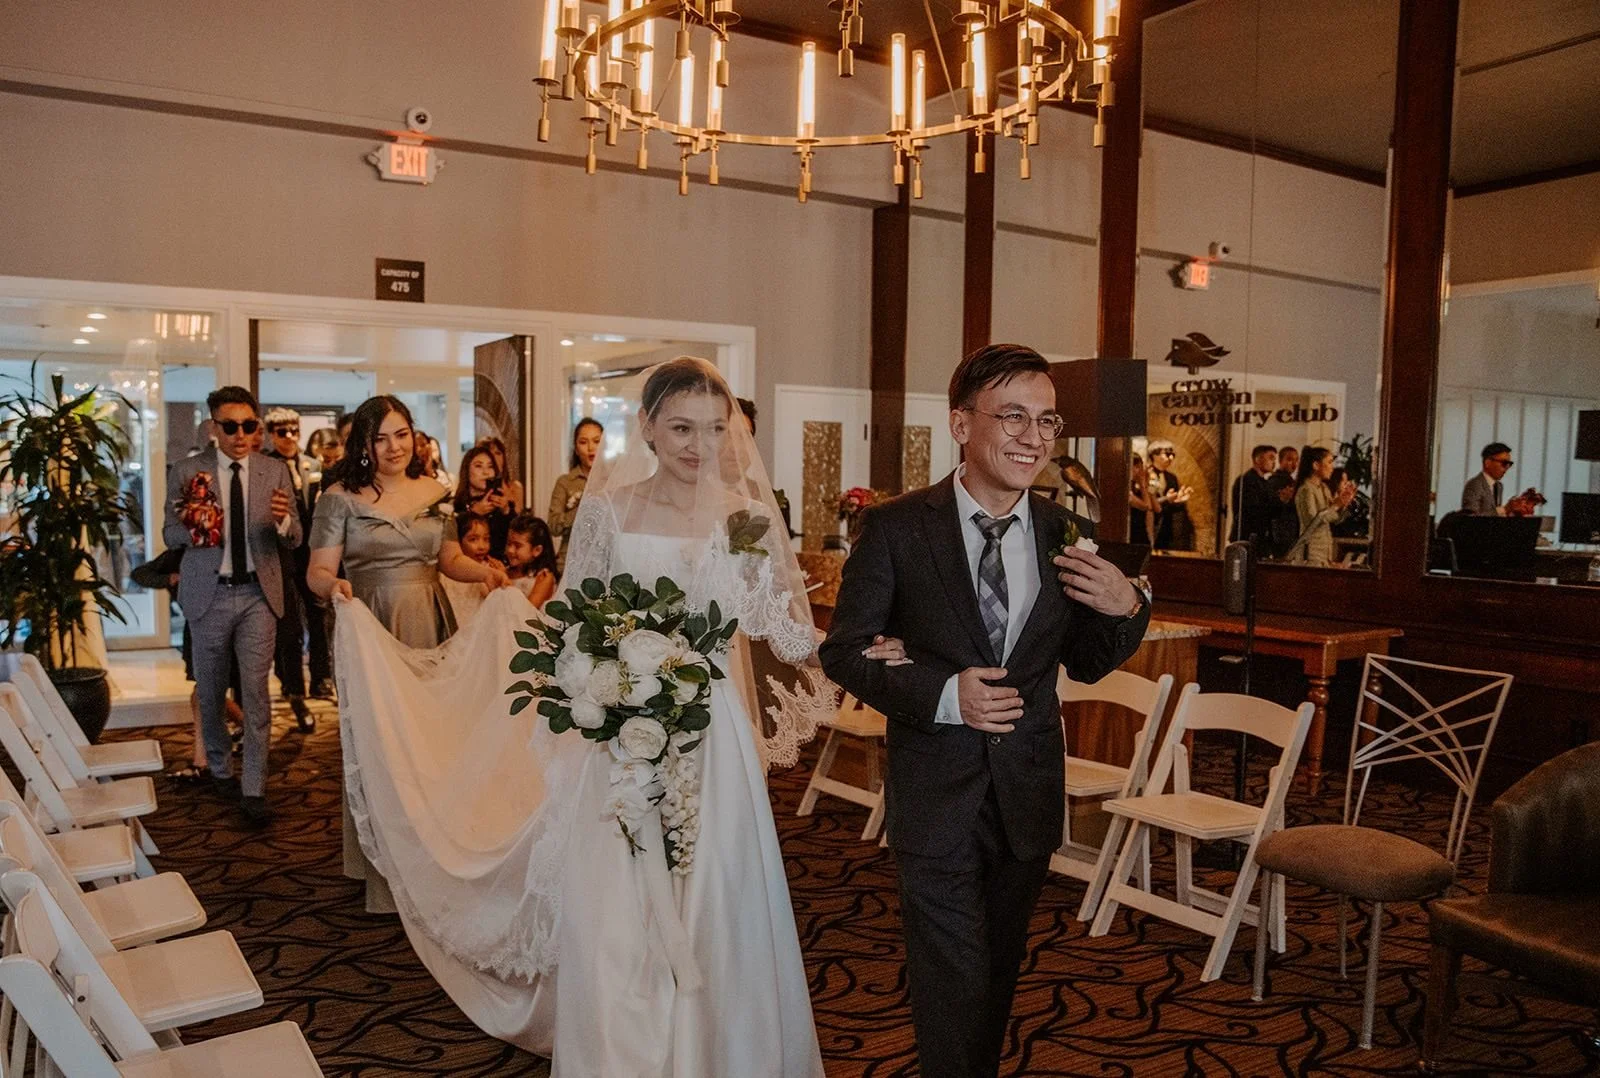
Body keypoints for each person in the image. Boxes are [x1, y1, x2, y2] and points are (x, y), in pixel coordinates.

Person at [326, 357, 832, 1070]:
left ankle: (718, 1047)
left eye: (715, 429)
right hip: (623, 721)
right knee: (616, 896)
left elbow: (774, 618)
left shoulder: (744, 517)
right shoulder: (610, 509)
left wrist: (853, 649)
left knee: (716, 881)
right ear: (649, 426)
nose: (700, 445)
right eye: (682, 427)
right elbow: (575, 613)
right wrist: (592, 681)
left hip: (710, 728)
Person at [819, 344, 1150, 1078]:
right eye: (1012, 416)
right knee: (952, 979)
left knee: (997, 972)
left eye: (1047, 420)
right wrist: (945, 694)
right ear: (961, 425)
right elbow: (843, 652)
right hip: (936, 792)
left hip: (1027, 791)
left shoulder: (1067, 531)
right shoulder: (899, 528)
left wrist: (1131, 607)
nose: (1033, 437)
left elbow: (1088, 659)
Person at [306, 395, 510, 912]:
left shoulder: (436, 492)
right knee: (381, 742)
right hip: (369, 621)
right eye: (380, 437)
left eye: (401, 434)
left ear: (413, 435)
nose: (394, 447)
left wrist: (485, 572)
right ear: (364, 444)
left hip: (429, 617)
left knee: (430, 736)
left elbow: (449, 559)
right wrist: (334, 587)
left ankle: (433, 856)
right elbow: (316, 571)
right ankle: (384, 871)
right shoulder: (339, 498)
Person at [162, 386, 302, 827]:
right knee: (210, 691)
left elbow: (295, 535)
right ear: (213, 428)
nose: (241, 435)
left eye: (249, 425)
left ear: (257, 427)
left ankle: (254, 787)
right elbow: (169, 535)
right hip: (210, 593)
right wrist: (196, 524)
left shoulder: (274, 471)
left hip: (259, 594)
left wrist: (282, 519)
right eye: (231, 426)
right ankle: (220, 766)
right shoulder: (187, 471)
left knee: (257, 693)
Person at [264, 407, 327, 726]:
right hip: (279, 557)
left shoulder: (313, 465)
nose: (288, 437)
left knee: (318, 616)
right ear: (270, 435)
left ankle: (320, 678)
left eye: (293, 430)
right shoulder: (264, 466)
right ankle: (295, 692)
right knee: (288, 628)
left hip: (312, 554)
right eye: (281, 432)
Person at [547, 417, 602, 575]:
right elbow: (553, 526)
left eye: (597, 441)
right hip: (570, 561)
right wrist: (583, 507)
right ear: (576, 449)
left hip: (605, 562)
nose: (591, 448)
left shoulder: (615, 481)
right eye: (583, 442)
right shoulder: (565, 482)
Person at [1286, 446, 1356, 566]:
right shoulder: (1306, 490)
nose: (1332, 468)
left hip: (1325, 551)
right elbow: (1313, 521)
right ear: (1316, 465)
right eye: (1329, 462)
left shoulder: (1324, 489)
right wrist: (1335, 506)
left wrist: (1343, 504)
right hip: (1310, 553)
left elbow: (1335, 520)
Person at [454, 444, 514, 561]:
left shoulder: (502, 505)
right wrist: (473, 514)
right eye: (478, 466)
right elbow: (451, 540)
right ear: (467, 471)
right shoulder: (457, 506)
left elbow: (515, 540)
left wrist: (506, 511)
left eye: (490, 467)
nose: (486, 472)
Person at [440, 515, 499, 627]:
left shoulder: (489, 569)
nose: (482, 546)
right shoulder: (446, 575)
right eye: (473, 539)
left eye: (486, 539)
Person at [503, 511, 558, 607]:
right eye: (509, 544)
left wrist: (505, 582)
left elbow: (527, 611)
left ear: (537, 550)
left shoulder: (544, 577)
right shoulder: (506, 571)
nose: (510, 550)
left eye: (517, 546)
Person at [1146, 439, 1193, 550]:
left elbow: (1171, 505)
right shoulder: (1147, 474)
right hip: (1149, 523)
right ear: (1154, 455)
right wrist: (1167, 499)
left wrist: (1179, 500)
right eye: (1167, 454)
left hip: (1166, 526)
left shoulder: (1172, 478)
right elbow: (1149, 502)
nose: (1171, 458)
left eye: (1172, 455)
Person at [1229, 444, 1279, 547]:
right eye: (1271, 458)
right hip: (1247, 537)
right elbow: (1253, 510)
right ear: (1258, 459)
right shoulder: (1246, 481)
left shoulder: (1264, 482)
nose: (1274, 463)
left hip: (1259, 538)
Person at [476, 435, 526, 512]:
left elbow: (519, 520)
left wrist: (510, 501)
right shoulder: (476, 486)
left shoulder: (515, 487)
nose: (494, 457)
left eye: (498, 453)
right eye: (489, 453)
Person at [1462, 442, 1513, 516]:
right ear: (1487, 463)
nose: (1507, 468)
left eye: (1509, 464)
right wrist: (1504, 509)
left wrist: (1512, 512)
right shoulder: (1474, 485)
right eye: (1504, 463)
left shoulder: (1498, 486)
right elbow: (1471, 519)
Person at [1128, 452, 1157, 545]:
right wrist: (1142, 484)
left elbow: (1154, 510)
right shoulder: (1126, 489)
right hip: (1132, 537)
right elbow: (1146, 506)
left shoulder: (1135, 488)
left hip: (1141, 537)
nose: (1139, 471)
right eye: (1136, 467)